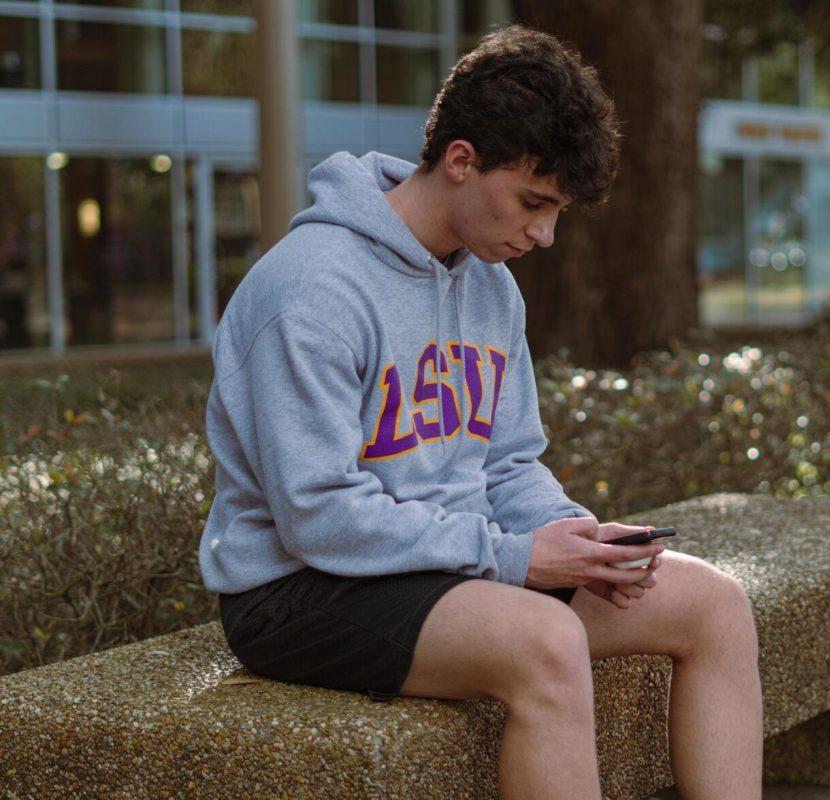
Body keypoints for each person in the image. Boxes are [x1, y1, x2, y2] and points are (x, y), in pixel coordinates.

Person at [199, 25, 763, 800]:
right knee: (547, 640)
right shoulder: (310, 291)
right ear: (460, 160)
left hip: (454, 565)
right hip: (301, 591)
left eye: (557, 210)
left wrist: (580, 538)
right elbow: (318, 515)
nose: (544, 234)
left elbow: (506, 462)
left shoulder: (489, 284)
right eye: (533, 203)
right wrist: (517, 559)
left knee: (715, 604)